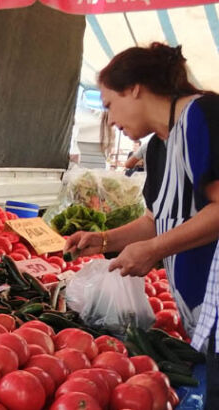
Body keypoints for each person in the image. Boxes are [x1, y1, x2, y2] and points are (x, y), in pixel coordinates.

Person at [64, 43, 219, 405]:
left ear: (134, 87)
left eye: (108, 105)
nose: (110, 119)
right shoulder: (157, 148)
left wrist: (155, 250)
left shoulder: (204, 115)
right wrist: (102, 240)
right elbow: (156, 220)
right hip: (202, 318)